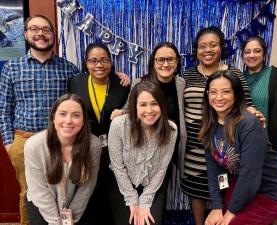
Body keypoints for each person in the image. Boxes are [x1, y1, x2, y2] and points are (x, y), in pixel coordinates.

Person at [0, 15, 80, 225]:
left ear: (53, 35)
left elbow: (85, 94)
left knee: (61, 193)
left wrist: (117, 76)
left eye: (46, 29)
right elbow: (3, 107)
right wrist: (9, 143)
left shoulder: (69, 68)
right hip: (24, 141)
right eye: (34, 29)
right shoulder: (11, 68)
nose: (40, 33)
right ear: (26, 34)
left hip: (59, 143)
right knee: (28, 194)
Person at [180, 26, 256, 225]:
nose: (207, 50)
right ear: (196, 50)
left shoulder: (234, 74)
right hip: (194, 147)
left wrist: (255, 114)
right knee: (196, 189)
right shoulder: (187, 76)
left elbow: (246, 104)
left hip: (224, 146)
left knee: (223, 188)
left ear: (221, 48)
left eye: (213, 45)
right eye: (202, 46)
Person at [199, 70, 277, 225]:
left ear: (236, 94)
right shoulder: (209, 126)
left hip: (274, 191)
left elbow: (250, 175)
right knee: (216, 219)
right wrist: (217, 206)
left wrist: (231, 212)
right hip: (244, 185)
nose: (218, 97)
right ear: (207, 94)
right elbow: (214, 171)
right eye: (213, 92)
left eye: (226, 92)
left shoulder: (248, 124)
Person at [112, 42, 189, 212]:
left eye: (170, 59)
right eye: (160, 60)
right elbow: (130, 108)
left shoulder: (181, 83)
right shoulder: (140, 82)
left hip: (171, 142)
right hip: (145, 148)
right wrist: (120, 112)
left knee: (160, 188)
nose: (165, 64)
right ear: (153, 62)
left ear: (177, 62)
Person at [69, 42, 130, 224]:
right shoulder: (75, 82)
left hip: (115, 151)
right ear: (86, 63)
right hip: (86, 148)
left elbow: (130, 110)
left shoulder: (122, 84)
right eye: (93, 61)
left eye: (104, 60)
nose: (99, 65)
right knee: (89, 195)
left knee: (113, 196)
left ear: (111, 63)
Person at [24, 94, 102, 225]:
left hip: (76, 204)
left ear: (83, 121)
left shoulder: (93, 145)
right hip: (42, 205)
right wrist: (56, 222)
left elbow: (87, 187)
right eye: (63, 114)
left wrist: (72, 220)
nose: (69, 121)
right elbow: (39, 191)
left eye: (76, 115)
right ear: (53, 118)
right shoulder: (34, 146)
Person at [108, 81, 177, 225]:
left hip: (152, 183)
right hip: (121, 180)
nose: (149, 110)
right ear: (134, 106)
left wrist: (145, 199)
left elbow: (162, 169)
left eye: (154, 104)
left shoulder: (171, 130)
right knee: (129, 221)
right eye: (143, 105)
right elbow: (117, 166)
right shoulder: (118, 125)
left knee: (150, 222)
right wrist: (132, 199)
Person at [242, 36, 277, 169]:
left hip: (271, 148)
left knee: (272, 188)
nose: (251, 55)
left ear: (264, 53)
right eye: (247, 51)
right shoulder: (237, 78)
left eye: (257, 51)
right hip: (243, 148)